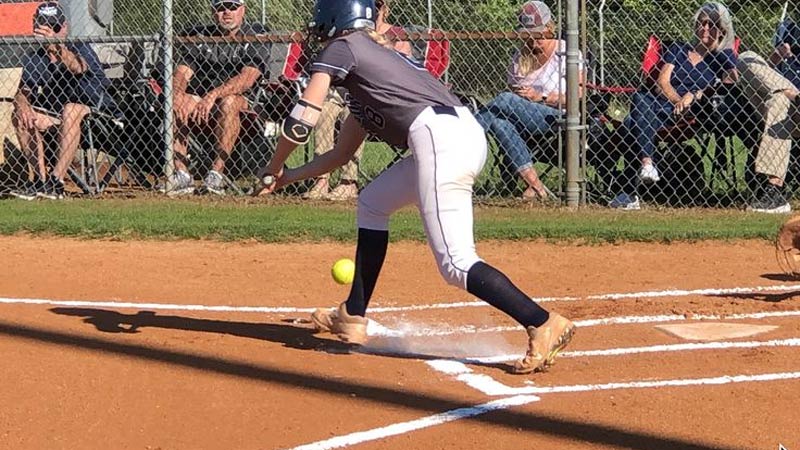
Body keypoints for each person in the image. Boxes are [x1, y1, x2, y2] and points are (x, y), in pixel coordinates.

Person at [253, 0, 575, 374]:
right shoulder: (368, 72)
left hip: (439, 137)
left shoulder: (344, 45)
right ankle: (353, 314)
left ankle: (542, 321)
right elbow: (341, 156)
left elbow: (304, 116)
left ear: (333, 17)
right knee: (373, 202)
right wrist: (288, 176)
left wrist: (272, 165)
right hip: (455, 134)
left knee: (456, 264)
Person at [10, 2, 120, 200]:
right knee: (22, 115)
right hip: (59, 118)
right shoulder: (36, 57)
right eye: (44, 27)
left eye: (55, 27)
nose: (50, 32)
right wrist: (23, 105)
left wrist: (55, 47)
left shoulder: (78, 45)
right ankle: (41, 182)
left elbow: (77, 66)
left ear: (65, 27)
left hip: (99, 115)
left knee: (71, 109)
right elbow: (22, 91)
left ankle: (57, 182)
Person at [303, 0, 411, 201]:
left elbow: (399, 72)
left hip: (368, 98)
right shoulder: (347, 31)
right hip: (338, 93)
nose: (374, 10)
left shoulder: (397, 35)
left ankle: (348, 182)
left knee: (354, 112)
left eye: (379, 5)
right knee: (324, 110)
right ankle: (321, 179)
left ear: (385, 9)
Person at [160, 0, 270, 196]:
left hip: (243, 104)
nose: (226, 12)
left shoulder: (255, 32)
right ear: (213, 12)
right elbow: (182, 73)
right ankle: (182, 175)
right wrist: (176, 95)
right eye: (220, 8)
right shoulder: (201, 35)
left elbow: (247, 79)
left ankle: (216, 175)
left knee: (229, 101)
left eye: (232, 6)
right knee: (177, 101)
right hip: (202, 103)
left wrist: (213, 95)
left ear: (242, 9)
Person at [475, 1, 583, 200]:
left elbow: (578, 97)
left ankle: (466, 135)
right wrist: (522, 98)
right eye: (528, 34)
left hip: (555, 116)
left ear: (550, 27)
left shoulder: (567, 52)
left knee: (505, 100)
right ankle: (535, 186)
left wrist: (539, 96)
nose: (533, 40)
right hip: (523, 117)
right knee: (499, 122)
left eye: (538, 33)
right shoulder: (520, 57)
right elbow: (513, 95)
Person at [625, 2, 738, 190]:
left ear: (721, 30)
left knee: (631, 122)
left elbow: (729, 85)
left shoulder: (723, 57)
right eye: (702, 23)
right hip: (663, 105)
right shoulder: (678, 49)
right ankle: (648, 165)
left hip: (694, 113)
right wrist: (678, 100)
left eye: (712, 24)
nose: (705, 28)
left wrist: (693, 95)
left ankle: (631, 188)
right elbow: (662, 82)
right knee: (639, 98)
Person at [737, 43, 800, 213]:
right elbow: (763, 77)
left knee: (778, 102)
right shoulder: (790, 37)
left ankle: (775, 190)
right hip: (778, 103)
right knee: (745, 56)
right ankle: (794, 96)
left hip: (791, 114)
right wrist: (774, 59)